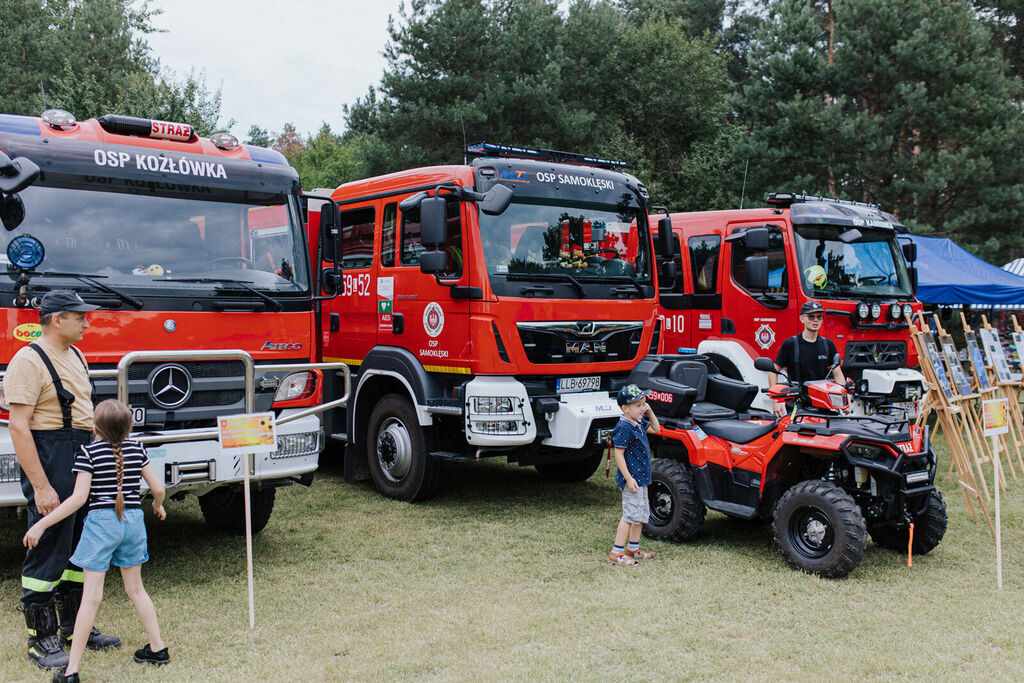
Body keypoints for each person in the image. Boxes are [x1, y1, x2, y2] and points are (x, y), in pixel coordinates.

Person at [4, 290, 121, 670]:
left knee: (81, 543)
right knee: (50, 542)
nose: (88, 322)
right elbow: (19, 427)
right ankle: (42, 639)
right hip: (51, 454)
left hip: (82, 450)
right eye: (80, 317)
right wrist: (41, 486)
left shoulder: (76, 354)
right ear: (57, 320)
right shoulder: (28, 360)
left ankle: (74, 626)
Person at [24, 399, 169, 682]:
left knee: (91, 599)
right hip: (133, 522)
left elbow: (78, 500)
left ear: (94, 428)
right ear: (129, 427)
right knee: (136, 590)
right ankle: (158, 648)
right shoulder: (138, 449)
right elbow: (159, 488)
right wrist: (158, 505)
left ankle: (72, 671)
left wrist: (41, 524)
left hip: (102, 525)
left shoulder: (88, 453)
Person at [608, 383, 661, 566]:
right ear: (625, 408)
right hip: (633, 479)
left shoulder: (638, 423)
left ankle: (633, 548)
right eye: (638, 405)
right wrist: (628, 478)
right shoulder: (624, 427)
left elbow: (656, 429)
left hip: (642, 479)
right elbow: (618, 454)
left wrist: (649, 411)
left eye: (643, 403)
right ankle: (617, 552)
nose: (642, 408)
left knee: (640, 515)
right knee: (630, 516)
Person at [769, 300, 847, 418]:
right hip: (797, 405)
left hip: (823, 405)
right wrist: (775, 402)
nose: (815, 320)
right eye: (811, 317)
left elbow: (838, 374)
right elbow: (773, 371)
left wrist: (844, 401)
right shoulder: (791, 344)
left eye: (819, 317)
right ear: (802, 319)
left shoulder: (828, 344)